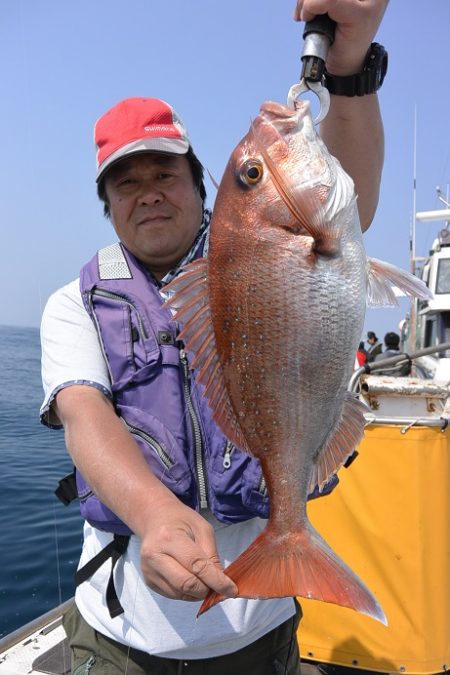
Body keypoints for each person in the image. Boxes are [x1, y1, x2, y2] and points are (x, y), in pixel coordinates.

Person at [40, 2, 389, 672]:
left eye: (164, 173)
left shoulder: (263, 247)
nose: (147, 193)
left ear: (200, 184)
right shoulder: (73, 305)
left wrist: (346, 70)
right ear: (107, 204)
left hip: (258, 635)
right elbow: (85, 418)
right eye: (125, 182)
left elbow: (352, 205)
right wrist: (153, 515)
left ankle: (292, 540)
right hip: (123, 640)